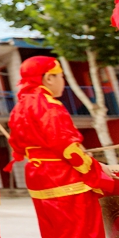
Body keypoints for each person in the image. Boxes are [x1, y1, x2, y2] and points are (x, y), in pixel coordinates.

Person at [8, 56, 118, 238]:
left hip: (39, 177)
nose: (63, 81)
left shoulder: (20, 107)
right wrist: (97, 168)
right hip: (64, 178)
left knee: (54, 232)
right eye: (61, 76)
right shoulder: (49, 105)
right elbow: (68, 149)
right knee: (81, 231)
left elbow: (18, 146)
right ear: (49, 78)